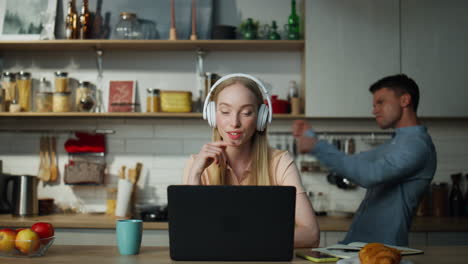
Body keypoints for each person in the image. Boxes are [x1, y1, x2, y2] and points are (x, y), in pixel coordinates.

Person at [292, 74, 437, 246]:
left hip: (382, 250)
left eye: (380, 102)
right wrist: (310, 136)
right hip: (358, 247)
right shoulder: (398, 143)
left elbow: (368, 174)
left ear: (405, 100)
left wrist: (316, 146)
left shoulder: (417, 146)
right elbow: (355, 162)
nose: (374, 110)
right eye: (374, 105)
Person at [183, 73, 320, 248]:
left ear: (261, 118)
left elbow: (311, 234)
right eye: (225, 112)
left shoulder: (280, 162)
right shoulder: (196, 164)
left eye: (247, 113)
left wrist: (234, 239)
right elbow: (188, 236)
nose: (234, 123)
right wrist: (195, 174)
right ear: (212, 115)